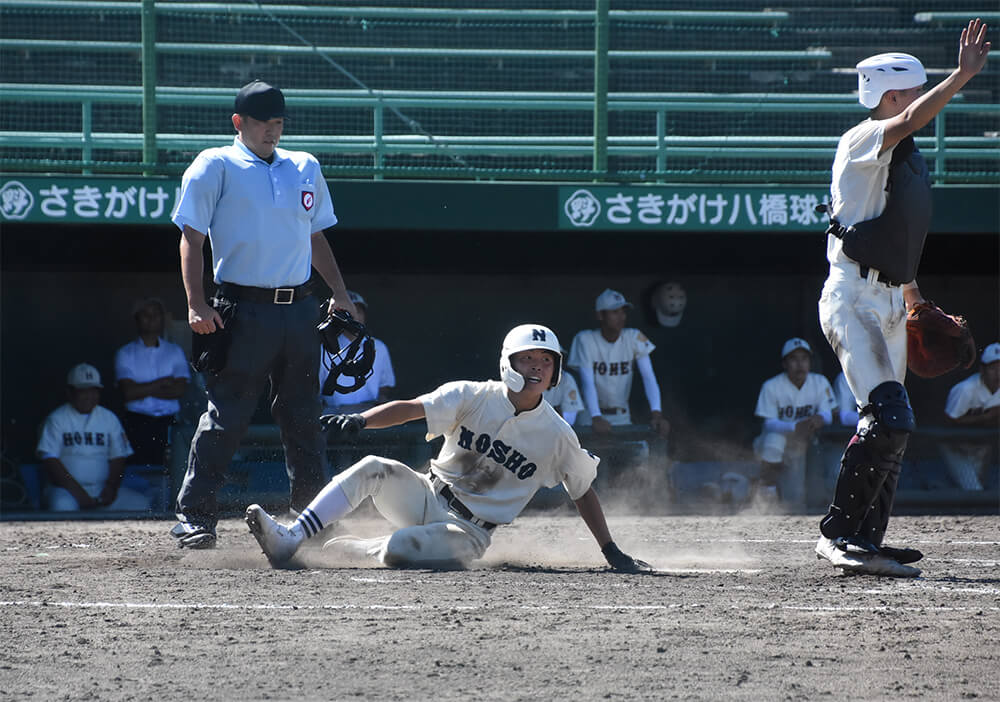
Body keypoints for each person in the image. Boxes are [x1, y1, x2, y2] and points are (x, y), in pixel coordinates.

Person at [244, 324, 651, 572]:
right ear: (508, 362)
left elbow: (582, 490)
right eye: (527, 358)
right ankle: (293, 537)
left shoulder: (558, 434)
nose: (537, 367)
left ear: (556, 370)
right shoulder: (473, 395)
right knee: (373, 466)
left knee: (403, 547)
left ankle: (369, 549)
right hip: (426, 493)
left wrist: (610, 550)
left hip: (470, 531)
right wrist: (362, 419)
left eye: (546, 360)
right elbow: (412, 408)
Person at [814, 19, 990, 576]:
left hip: (889, 298)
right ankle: (838, 536)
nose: (918, 101)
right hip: (852, 297)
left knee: (898, 423)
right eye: (911, 91)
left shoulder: (905, 159)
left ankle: (868, 539)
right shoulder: (862, 137)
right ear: (890, 96)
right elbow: (913, 117)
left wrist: (915, 298)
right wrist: (962, 76)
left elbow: (894, 239)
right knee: (885, 416)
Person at [169, 80, 357, 549]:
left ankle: (311, 518)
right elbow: (190, 237)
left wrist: (340, 293)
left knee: (303, 417)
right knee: (227, 414)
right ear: (239, 122)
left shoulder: (304, 166)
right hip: (241, 308)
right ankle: (195, 516)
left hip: (299, 310)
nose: (271, 131)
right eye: (262, 123)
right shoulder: (215, 163)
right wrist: (196, 303)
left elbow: (315, 237)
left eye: (277, 123)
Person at [36, 363, 146, 511]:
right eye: (83, 391)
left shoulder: (109, 418)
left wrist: (111, 487)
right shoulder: (56, 419)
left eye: (93, 391)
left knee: (140, 504)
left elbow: (119, 456)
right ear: (70, 392)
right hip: (66, 491)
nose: (89, 396)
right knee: (62, 506)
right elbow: (50, 461)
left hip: (101, 488)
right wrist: (78, 493)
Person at [567, 289, 669, 438]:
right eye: (614, 312)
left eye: (623, 312)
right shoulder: (585, 339)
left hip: (621, 415)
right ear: (600, 315)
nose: (621, 317)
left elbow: (649, 377)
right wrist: (596, 417)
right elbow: (587, 382)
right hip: (590, 415)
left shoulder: (633, 337)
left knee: (633, 457)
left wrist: (656, 413)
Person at [751, 338, 835, 510]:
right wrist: (794, 426)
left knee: (794, 500)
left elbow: (829, 413)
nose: (800, 364)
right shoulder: (772, 386)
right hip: (773, 442)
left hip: (802, 445)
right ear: (784, 364)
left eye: (804, 359)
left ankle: (780, 498)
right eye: (794, 359)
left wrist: (821, 418)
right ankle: (767, 492)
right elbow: (768, 423)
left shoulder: (819, 382)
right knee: (773, 441)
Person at [114, 297, 190, 467]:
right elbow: (128, 393)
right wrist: (162, 382)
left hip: (169, 423)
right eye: (146, 315)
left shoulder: (174, 351)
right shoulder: (125, 353)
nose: (151, 319)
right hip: (137, 423)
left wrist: (142, 389)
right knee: (139, 469)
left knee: (172, 469)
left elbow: (179, 390)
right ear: (137, 319)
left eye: (156, 314)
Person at [319, 290, 395, 414]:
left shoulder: (379, 347)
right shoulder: (324, 348)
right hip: (333, 413)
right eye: (349, 311)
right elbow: (315, 389)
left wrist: (380, 403)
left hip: (369, 414)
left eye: (358, 311)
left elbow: (385, 385)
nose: (355, 316)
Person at [940, 342, 1000, 490]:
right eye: (993, 368)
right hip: (956, 448)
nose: (998, 373)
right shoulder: (965, 390)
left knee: (978, 487)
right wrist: (985, 418)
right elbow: (948, 421)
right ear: (982, 370)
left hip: (983, 446)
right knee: (973, 489)